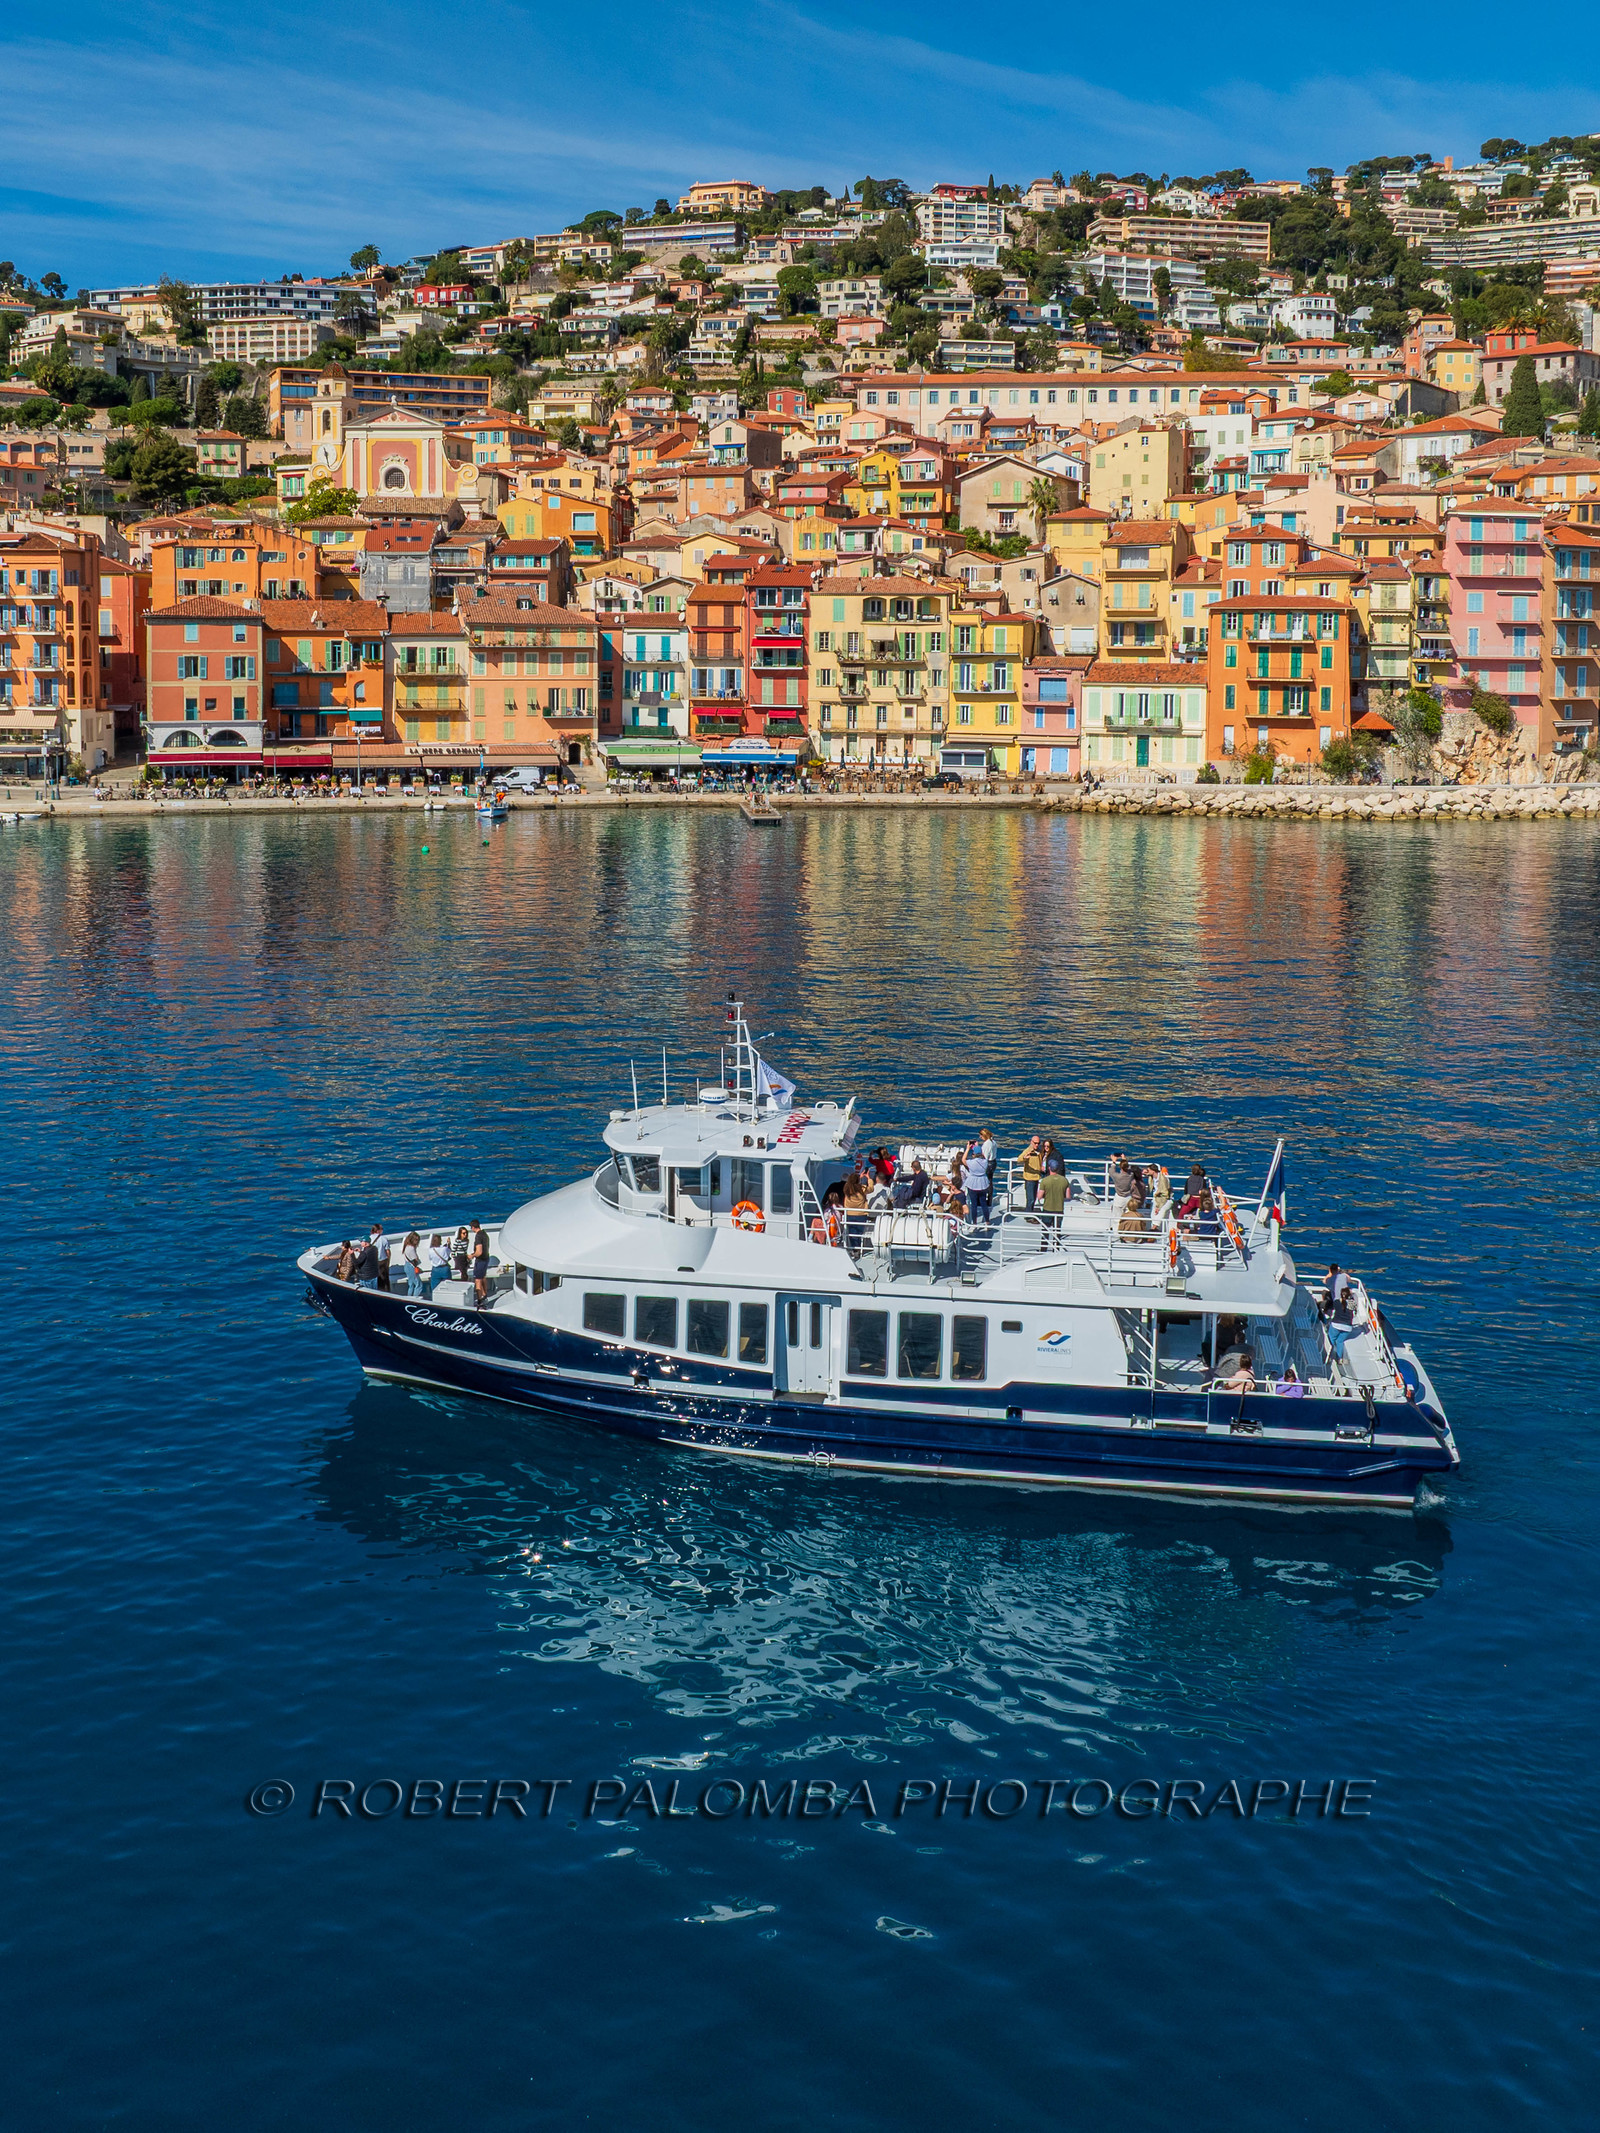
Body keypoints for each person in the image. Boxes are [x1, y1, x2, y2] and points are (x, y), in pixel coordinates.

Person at [962, 1141, 990, 1226]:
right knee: (984, 1204)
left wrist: (967, 1149)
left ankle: (974, 1223)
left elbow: (963, 1160)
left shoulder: (971, 1162)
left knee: (973, 1204)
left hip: (973, 1183)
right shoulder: (985, 1162)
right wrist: (978, 1147)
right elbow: (984, 1157)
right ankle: (987, 1222)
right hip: (983, 1183)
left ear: (973, 1154)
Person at [1038, 1166, 1069, 1241]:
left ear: (1049, 1168)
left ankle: (1043, 1248)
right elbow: (1068, 1196)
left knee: (1045, 1229)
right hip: (1059, 1209)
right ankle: (1056, 1248)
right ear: (1057, 1169)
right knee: (1057, 1230)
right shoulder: (1064, 1180)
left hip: (1047, 1208)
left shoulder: (1045, 1180)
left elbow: (1039, 1196)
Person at [1020, 1135, 1044, 1212]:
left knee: (1033, 1198)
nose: (1037, 1145)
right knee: (1030, 1199)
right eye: (1035, 1143)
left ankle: (1030, 1212)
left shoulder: (1039, 1151)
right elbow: (1019, 1159)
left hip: (1036, 1177)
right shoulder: (1028, 1151)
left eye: (1038, 1143)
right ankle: (1028, 1215)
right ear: (1031, 1142)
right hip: (1029, 1178)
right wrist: (1024, 1158)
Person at [471, 1226, 491, 1307]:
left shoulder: (478, 1236)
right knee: (483, 1276)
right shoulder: (485, 1234)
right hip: (486, 1259)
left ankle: (480, 1300)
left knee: (478, 1280)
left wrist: (472, 1255)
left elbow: (479, 1252)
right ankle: (484, 1294)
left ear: (473, 1227)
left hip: (480, 1261)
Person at [401, 1230, 424, 1297]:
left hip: (407, 1266)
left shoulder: (406, 1246)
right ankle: (415, 1298)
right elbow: (415, 1259)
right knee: (418, 1284)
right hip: (411, 1267)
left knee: (411, 1284)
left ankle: (409, 1297)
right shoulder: (411, 1248)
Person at [369, 1222, 391, 1292]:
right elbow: (387, 1251)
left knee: (375, 1278)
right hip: (382, 1261)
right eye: (382, 1229)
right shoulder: (384, 1239)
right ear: (378, 1230)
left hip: (372, 1261)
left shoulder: (369, 1238)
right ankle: (386, 1292)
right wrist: (388, 1260)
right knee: (384, 1279)